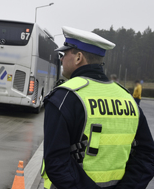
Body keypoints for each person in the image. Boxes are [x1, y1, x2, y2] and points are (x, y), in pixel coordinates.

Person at [42, 26, 154, 189]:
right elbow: (147, 155)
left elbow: (56, 163)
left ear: (78, 57)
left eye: (64, 54)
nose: (61, 59)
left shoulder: (65, 96)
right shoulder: (127, 98)